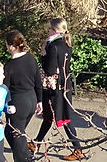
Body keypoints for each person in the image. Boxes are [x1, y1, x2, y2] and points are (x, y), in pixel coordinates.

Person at [32, 18, 85, 161]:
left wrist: (43, 55)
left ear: (55, 30)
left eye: (49, 28)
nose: (47, 31)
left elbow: (49, 69)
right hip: (65, 84)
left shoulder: (52, 46)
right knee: (50, 116)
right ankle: (36, 142)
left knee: (63, 119)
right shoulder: (66, 43)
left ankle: (78, 149)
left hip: (55, 88)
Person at [4, 30, 43, 162]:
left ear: (11, 46)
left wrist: (5, 105)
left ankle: (26, 158)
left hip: (18, 103)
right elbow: (38, 81)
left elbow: (5, 89)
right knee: (10, 132)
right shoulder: (31, 58)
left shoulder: (10, 66)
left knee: (16, 134)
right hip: (31, 99)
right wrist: (40, 101)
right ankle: (26, 154)